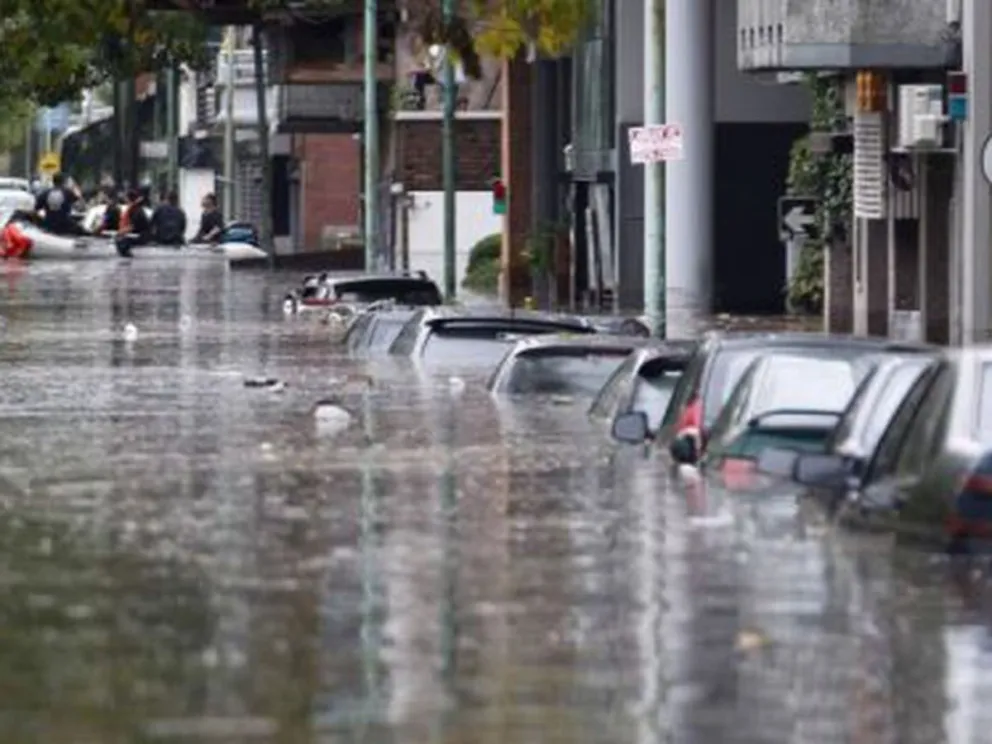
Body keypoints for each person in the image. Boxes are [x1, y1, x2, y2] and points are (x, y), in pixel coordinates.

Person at [114, 188, 152, 257]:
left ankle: (126, 254)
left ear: (128, 199)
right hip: (136, 234)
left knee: (121, 240)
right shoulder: (135, 209)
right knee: (120, 238)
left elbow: (134, 226)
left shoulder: (137, 210)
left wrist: (122, 231)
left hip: (141, 236)